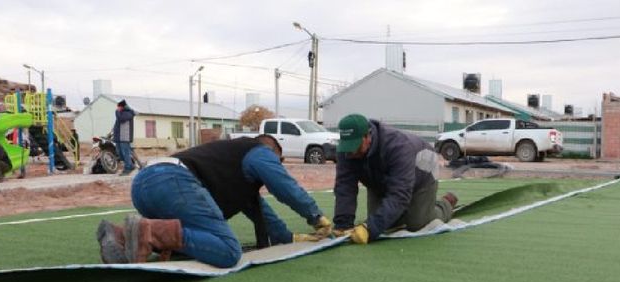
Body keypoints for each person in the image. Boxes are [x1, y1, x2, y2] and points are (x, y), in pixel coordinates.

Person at [96, 134, 332, 268]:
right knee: (228, 251)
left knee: (192, 241)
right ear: (272, 151)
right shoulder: (259, 151)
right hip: (173, 181)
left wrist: (287, 237)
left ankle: (122, 236)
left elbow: (261, 211)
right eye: (277, 161)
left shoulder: (236, 170)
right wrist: (317, 217)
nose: (276, 165)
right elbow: (286, 186)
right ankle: (148, 231)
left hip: (142, 184)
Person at [332, 113, 458, 244]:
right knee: (385, 223)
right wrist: (343, 225)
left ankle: (445, 204)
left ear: (367, 136)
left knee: (417, 223)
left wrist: (370, 228)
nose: (352, 153)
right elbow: (345, 186)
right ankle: (402, 214)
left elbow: (400, 195)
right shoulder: (346, 150)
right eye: (348, 147)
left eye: (356, 147)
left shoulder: (398, 147)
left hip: (423, 172)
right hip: (381, 180)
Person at [113, 99, 135, 176]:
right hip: (119, 137)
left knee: (125, 153)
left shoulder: (129, 113)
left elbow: (121, 119)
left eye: (118, 107)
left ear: (122, 106)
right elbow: (117, 124)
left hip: (125, 137)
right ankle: (131, 165)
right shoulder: (120, 113)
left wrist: (117, 112)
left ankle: (128, 168)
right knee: (119, 152)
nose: (117, 108)